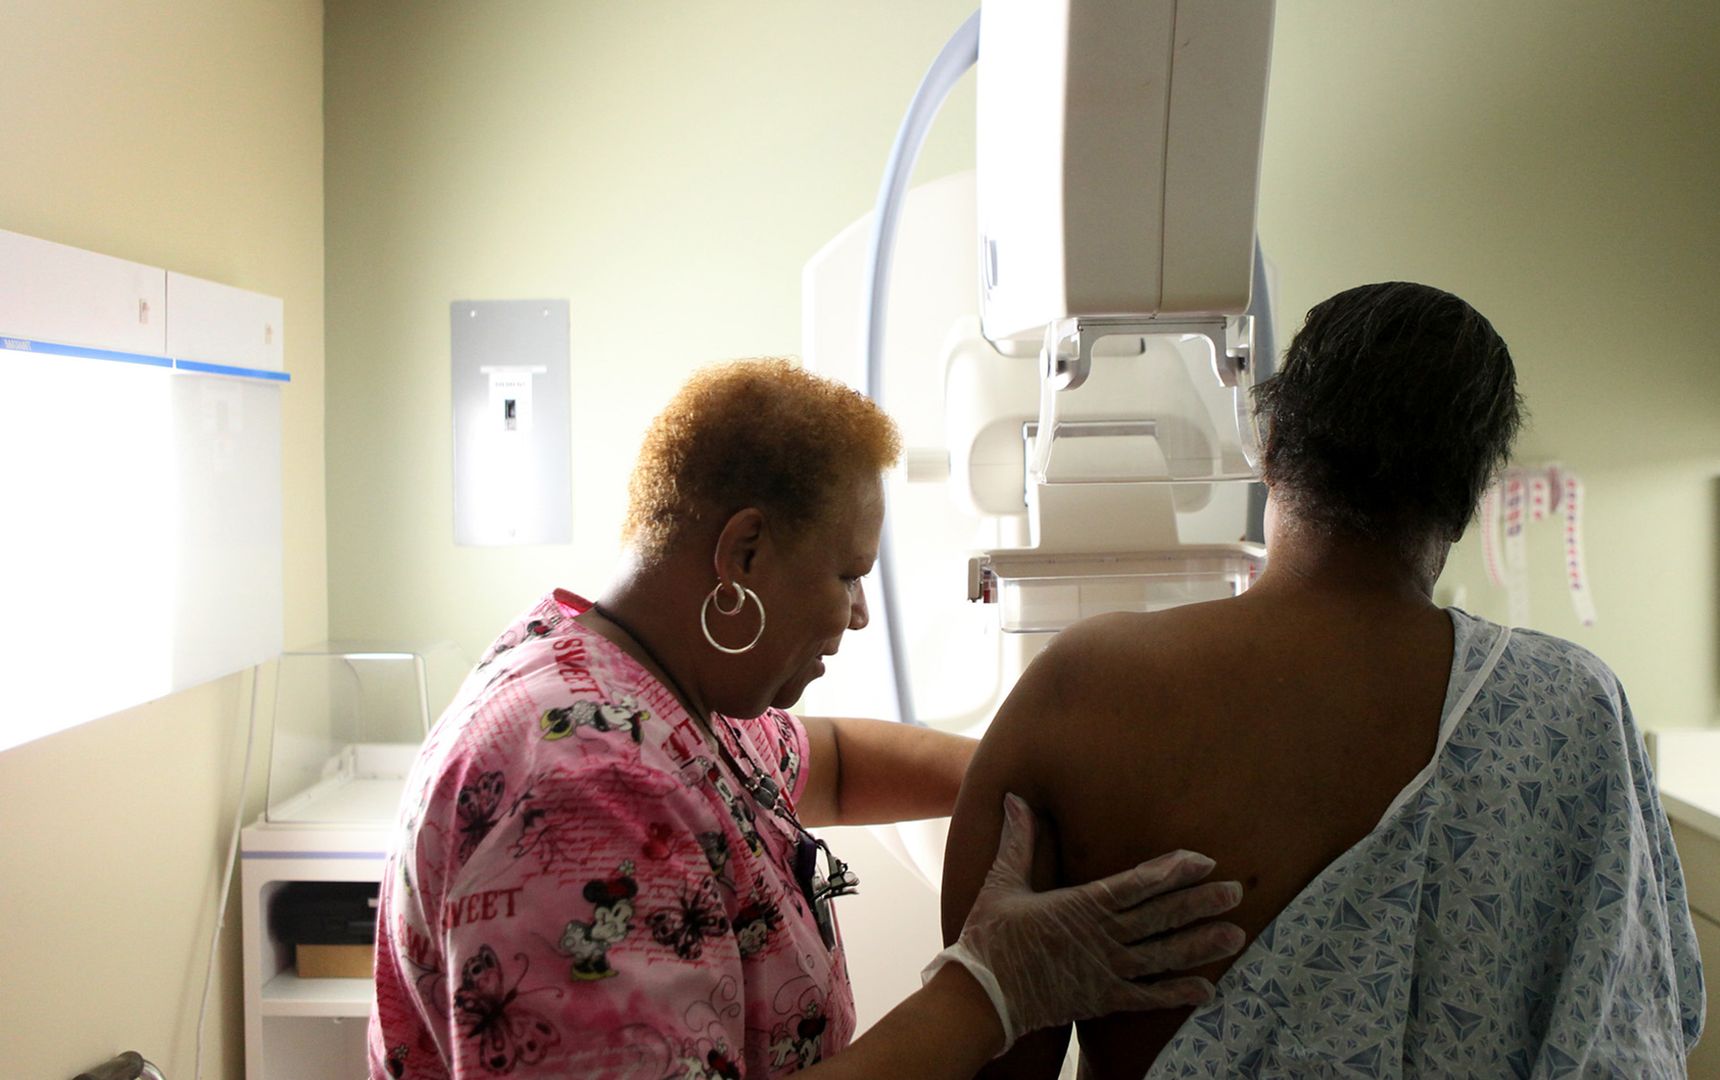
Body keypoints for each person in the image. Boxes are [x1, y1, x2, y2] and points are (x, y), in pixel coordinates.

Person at [368, 358, 1247, 1080]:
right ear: (743, 552)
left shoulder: (648, 684)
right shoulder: (583, 795)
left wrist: (1019, 772)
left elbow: (829, 763)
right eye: (846, 574)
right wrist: (993, 988)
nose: (858, 613)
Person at [940, 283, 1705, 1079]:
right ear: (1471, 494)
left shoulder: (1081, 691)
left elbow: (985, 1057)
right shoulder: (1570, 710)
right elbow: (1635, 1033)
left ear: (1269, 444)